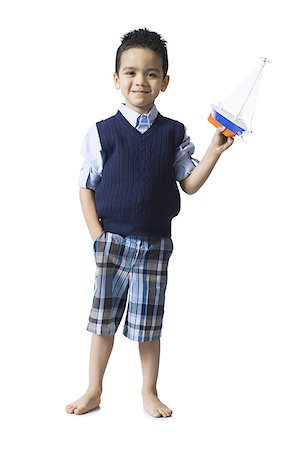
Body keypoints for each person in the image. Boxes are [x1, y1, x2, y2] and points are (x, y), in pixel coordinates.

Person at [66, 28, 234, 418]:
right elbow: (85, 187)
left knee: (148, 322)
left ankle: (149, 391)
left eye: (151, 73)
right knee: (102, 320)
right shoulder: (102, 132)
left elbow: (189, 184)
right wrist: (97, 237)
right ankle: (94, 389)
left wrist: (213, 151)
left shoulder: (174, 133)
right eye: (130, 72)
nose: (140, 81)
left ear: (165, 82)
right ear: (116, 79)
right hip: (112, 242)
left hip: (156, 243)